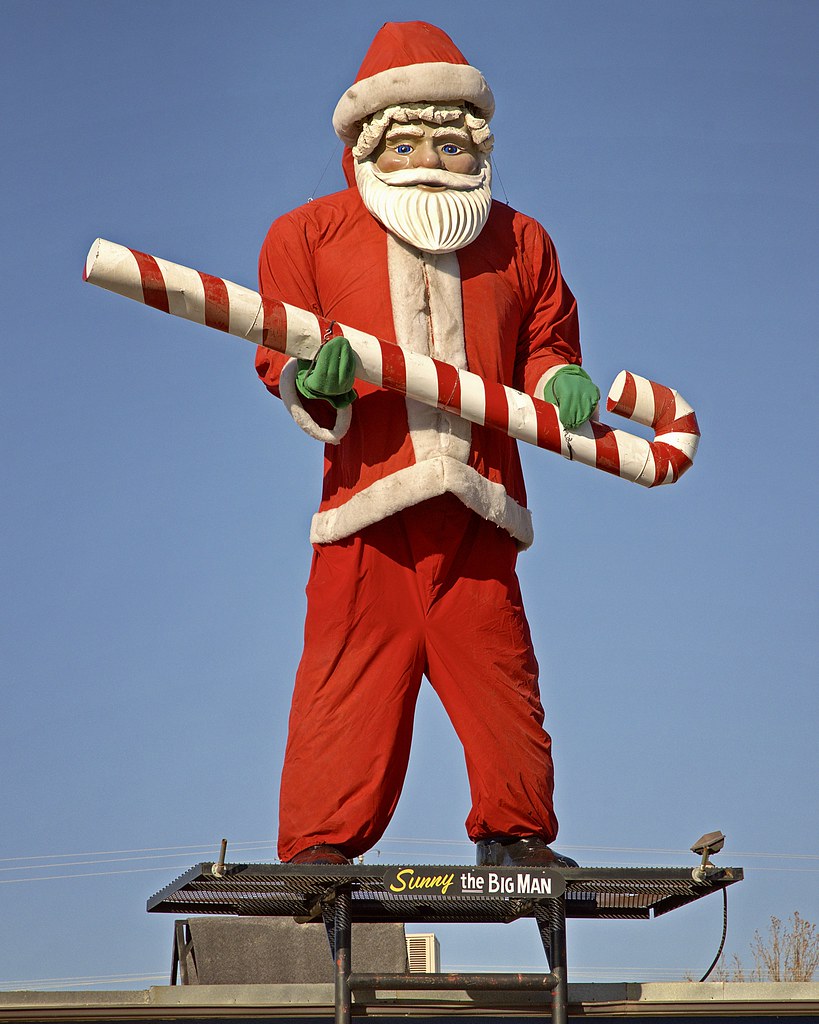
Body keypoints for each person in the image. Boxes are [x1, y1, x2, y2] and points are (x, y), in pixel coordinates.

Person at [255, 22, 599, 868]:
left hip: (480, 513)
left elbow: (546, 343)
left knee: (503, 681)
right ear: (369, 144)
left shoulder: (522, 242)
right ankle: (319, 852)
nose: (429, 162)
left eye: (450, 144)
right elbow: (281, 355)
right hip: (366, 514)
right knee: (344, 681)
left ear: (477, 147)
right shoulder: (307, 236)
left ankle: (516, 836)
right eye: (405, 141)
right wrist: (313, 379)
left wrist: (559, 382)